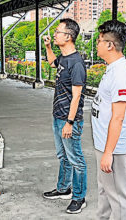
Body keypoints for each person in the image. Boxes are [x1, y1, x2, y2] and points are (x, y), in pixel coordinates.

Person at [42, 18, 88, 214]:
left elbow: (77, 96)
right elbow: (53, 62)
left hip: (69, 119)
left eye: (58, 32)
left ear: (68, 37)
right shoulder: (64, 59)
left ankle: (79, 197)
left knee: (76, 158)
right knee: (63, 156)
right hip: (58, 115)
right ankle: (63, 189)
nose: (55, 34)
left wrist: (69, 122)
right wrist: (48, 46)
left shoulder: (77, 63)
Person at [91, 20, 126, 220]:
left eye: (99, 40)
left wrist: (109, 152)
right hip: (103, 144)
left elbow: (118, 117)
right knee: (104, 191)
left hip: (113, 148)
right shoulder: (111, 69)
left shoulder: (120, 74)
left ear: (110, 45)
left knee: (117, 195)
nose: (97, 44)